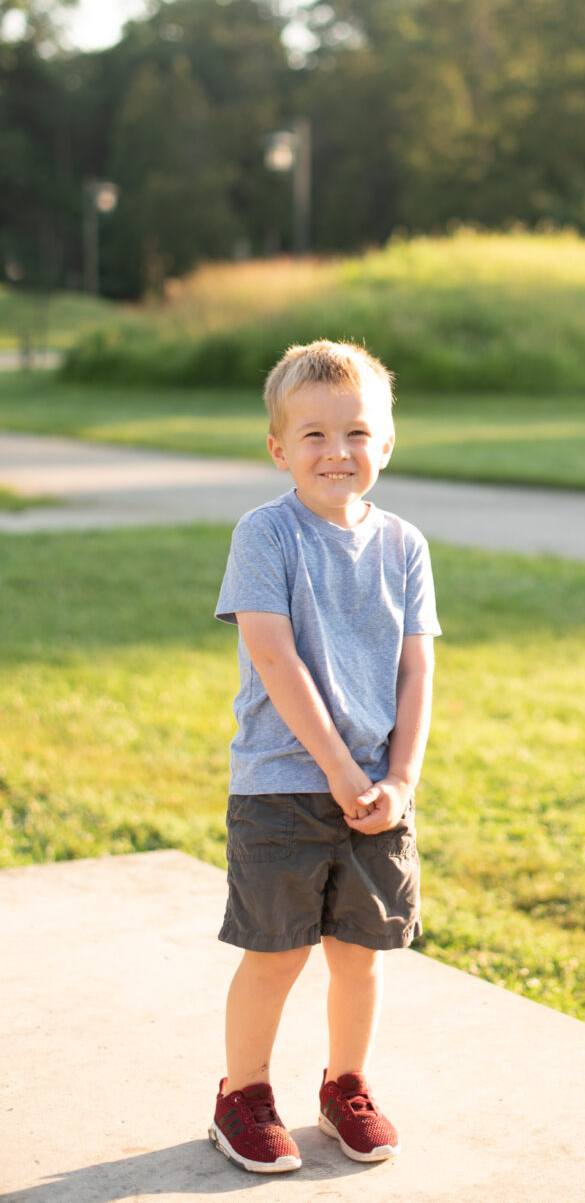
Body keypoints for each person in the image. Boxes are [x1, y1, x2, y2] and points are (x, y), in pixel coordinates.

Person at [208, 338, 440, 1173]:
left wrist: (399, 779)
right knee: (276, 953)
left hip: (378, 791)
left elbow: (417, 666)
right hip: (283, 786)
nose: (336, 452)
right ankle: (243, 1094)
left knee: (359, 956)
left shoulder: (405, 545)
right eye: (312, 436)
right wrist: (341, 771)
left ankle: (346, 1084)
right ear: (278, 449)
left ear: (385, 443)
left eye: (356, 433)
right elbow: (276, 656)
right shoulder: (266, 535)